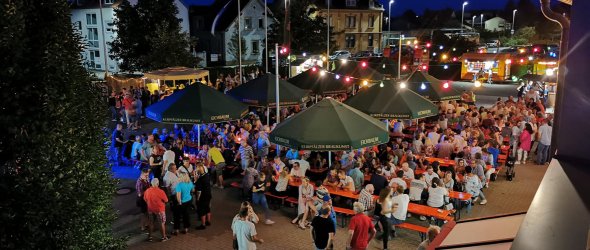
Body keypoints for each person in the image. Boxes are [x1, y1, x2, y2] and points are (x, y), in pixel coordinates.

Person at [194, 163, 212, 230]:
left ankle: (203, 224)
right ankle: (208, 221)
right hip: (208, 194)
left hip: (202, 197)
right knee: (207, 208)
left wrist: (198, 199)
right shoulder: (207, 175)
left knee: (202, 210)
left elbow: (199, 191)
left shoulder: (200, 180)